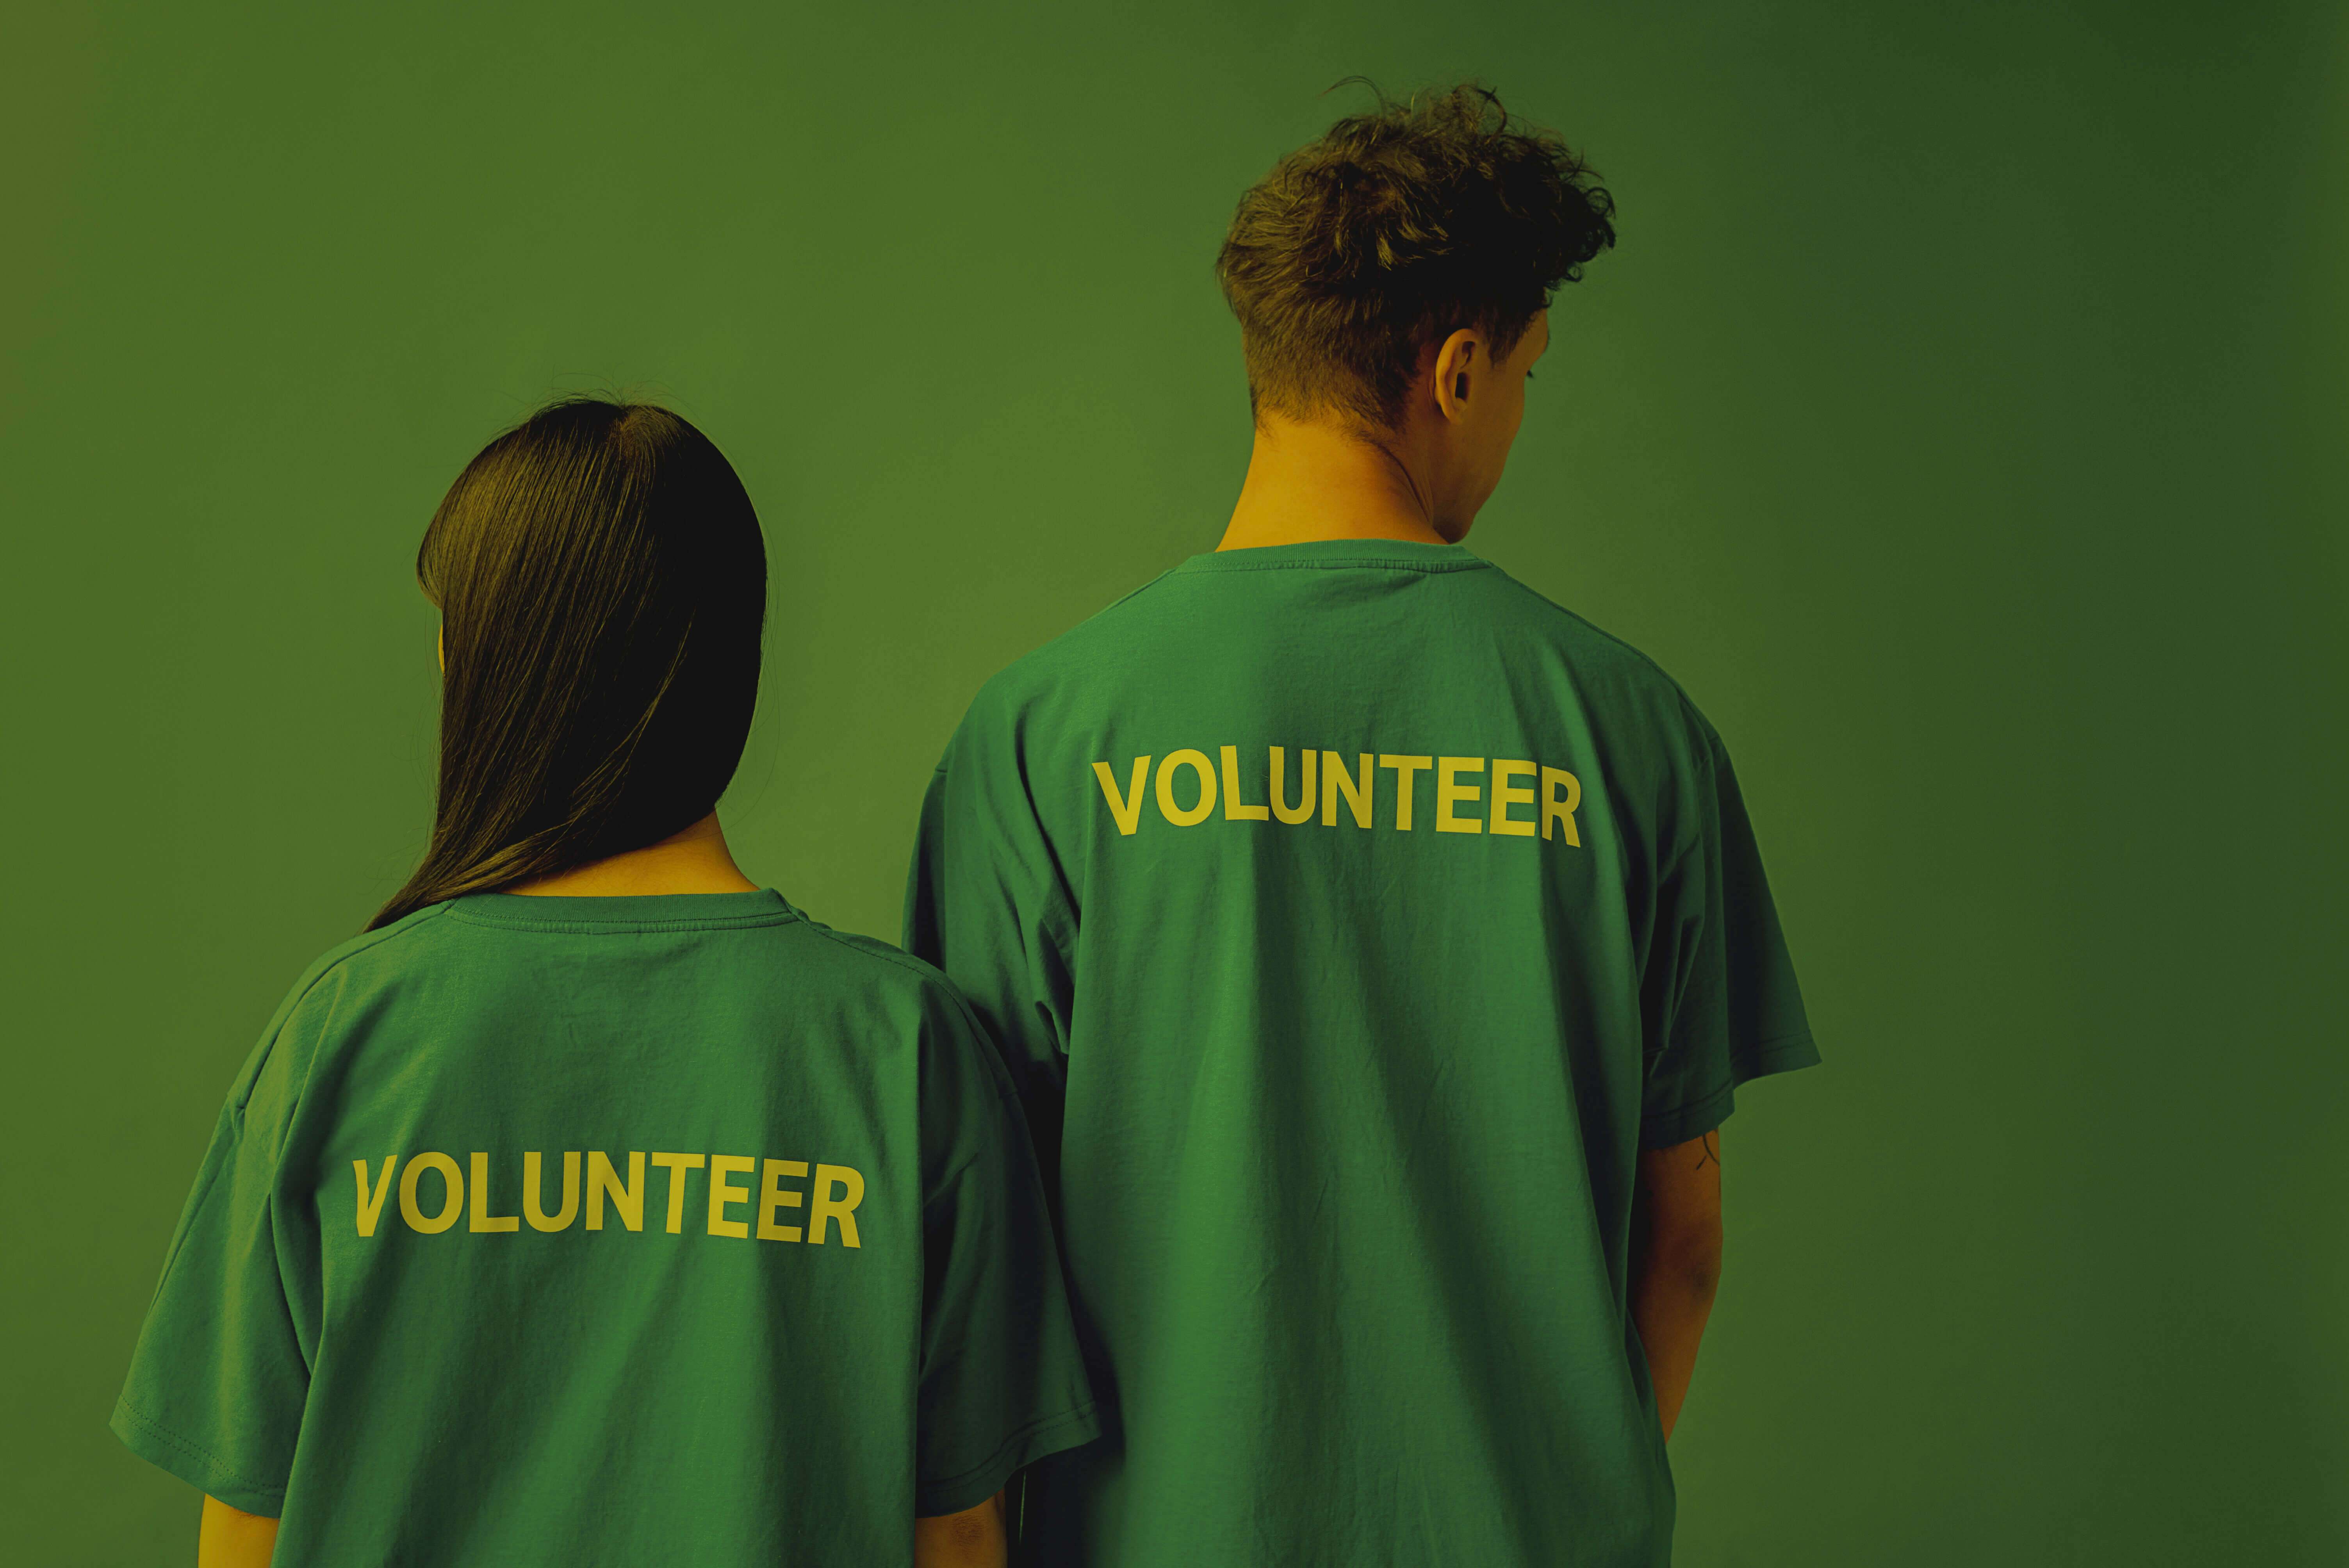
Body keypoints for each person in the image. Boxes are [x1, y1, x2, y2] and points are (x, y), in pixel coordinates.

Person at [905, 84, 1818, 1566]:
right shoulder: (1631, 731)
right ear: (1455, 371)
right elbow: (1687, 1238)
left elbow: (978, 1276)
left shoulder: (1042, 733)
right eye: (1527, 371)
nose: (1519, 411)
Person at [113, 397, 1098, 1567]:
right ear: (736, 657)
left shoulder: (344, 1032)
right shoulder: (906, 1052)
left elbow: (245, 1538)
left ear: (482, 665)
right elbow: (964, 1536)